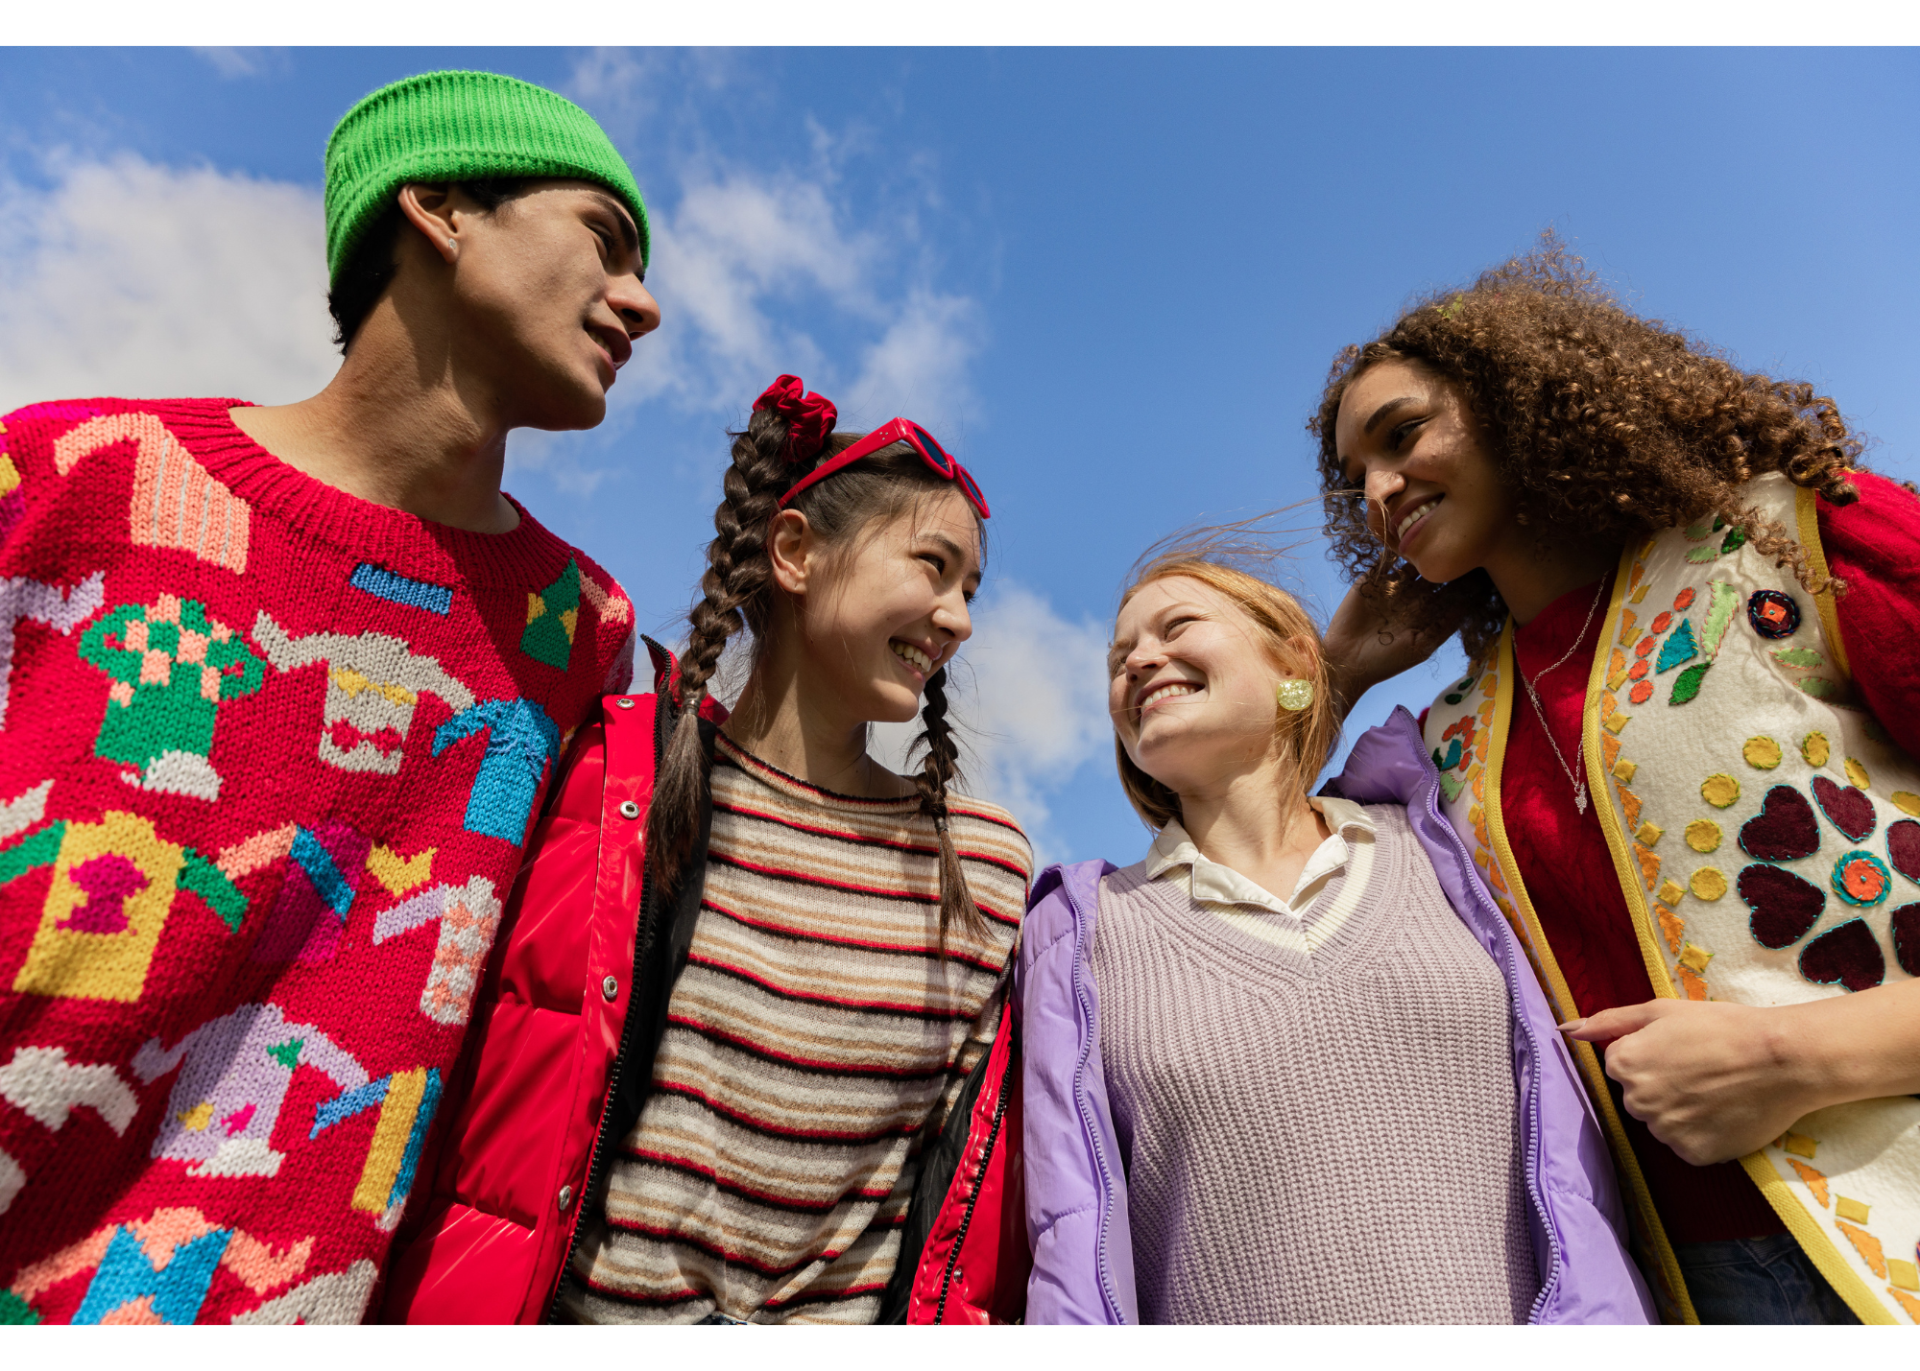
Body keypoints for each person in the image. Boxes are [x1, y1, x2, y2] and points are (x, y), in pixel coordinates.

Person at [0, 70, 656, 1327]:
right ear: (442, 208)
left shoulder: (583, 634)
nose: (644, 300)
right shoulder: (70, 478)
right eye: (604, 238)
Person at [1315, 237, 1920, 1326]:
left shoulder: (1791, 546)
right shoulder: (1443, 748)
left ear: (1517, 401)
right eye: (1356, 476)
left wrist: (1797, 1054)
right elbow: (1235, 870)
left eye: (1402, 437)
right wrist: (1337, 674)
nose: (1379, 491)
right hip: (1676, 1284)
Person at [382, 376, 1033, 1325]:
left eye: (969, 589)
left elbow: (950, 1191)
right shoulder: (624, 787)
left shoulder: (984, 867)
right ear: (796, 550)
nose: (960, 619)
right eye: (931, 567)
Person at [1018, 547, 1652, 1325]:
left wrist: (1336, 668)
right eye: (1120, 659)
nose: (1140, 659)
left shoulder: (1442, 829)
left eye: (1177, 626)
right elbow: (1070, 1241)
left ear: (1292, 660)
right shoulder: (1080, 933)